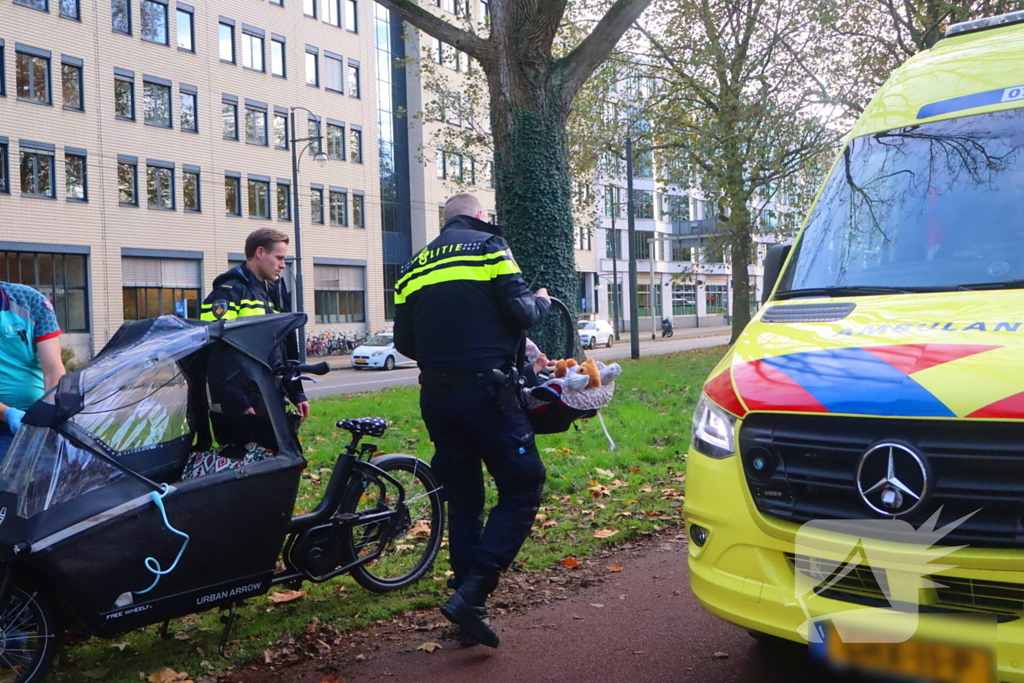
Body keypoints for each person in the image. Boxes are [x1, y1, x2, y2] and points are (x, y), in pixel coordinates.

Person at [393, 192, 550, 649]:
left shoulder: (413, 266)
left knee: (464, 501)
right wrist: (541, 300)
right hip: (488, 394)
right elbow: (523, 312)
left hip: (436, 397)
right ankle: (475, 592)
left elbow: (404, 342)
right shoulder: (489, 247)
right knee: (524, 486)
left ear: (445, 220)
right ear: (479, 216)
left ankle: (468, 609)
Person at [199, 228, 309, 422]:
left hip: (269, 393)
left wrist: (296, 392)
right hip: (243, 402)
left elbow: (284, 346)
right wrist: (237, 400)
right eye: (279, 258)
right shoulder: (228, 293)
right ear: (260, 252)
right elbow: (215, 351)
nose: (283, 265)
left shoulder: (272, 293)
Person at [0, 282, 66, 460]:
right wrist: (7, 413)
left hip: (32, 419)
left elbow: (53, 370)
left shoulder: (31, 300)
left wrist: (52, 412)